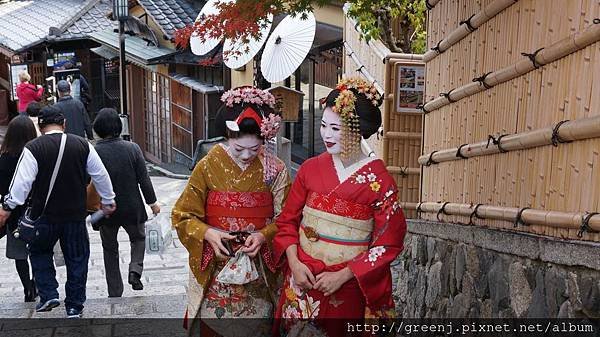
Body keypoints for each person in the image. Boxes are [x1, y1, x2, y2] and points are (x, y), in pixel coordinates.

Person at [272, 78, 407, 336]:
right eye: (324, 126)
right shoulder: (310, 169)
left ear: (356, 129)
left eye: (336, 128)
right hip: (303, 278)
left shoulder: (379, 181)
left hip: (347, 285)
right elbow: (288, 220)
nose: (326, 135)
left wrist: (345, 274)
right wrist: (294, 263)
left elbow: (388, 243)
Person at [172, 87, 291, 336]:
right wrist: (207, 233)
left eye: (255, 148)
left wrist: (263, 235)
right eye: (238, 149)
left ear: (264, 140)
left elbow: (288, 218)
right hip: (218, 268)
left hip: (258, 270)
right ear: (227, 136)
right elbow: (182, 214)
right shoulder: (208, 165)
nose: (247, 155)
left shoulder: (276, 169)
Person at [0, 105, 116, 318]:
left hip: (44, 215)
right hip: (74, 215)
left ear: (41, 127)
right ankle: (74, 305)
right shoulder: (83, 145)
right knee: (77, 258)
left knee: (39, 251)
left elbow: (21, 184)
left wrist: (7, 207)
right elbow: (100, 174)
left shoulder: (33, 148)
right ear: (64, 124)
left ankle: (48, 293)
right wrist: (108, 200)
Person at [92, 108, 160, 297]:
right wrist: (152, 202)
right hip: (132, 206)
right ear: (119, 127)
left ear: (98, 128)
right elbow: (143, 179)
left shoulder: (94, 152)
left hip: (106, 209)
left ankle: (115, 291)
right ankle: (134, 270)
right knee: (138, 239)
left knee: (109, 248)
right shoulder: (132, 148)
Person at [0, 116, 38, 302]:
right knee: (39, 250)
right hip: (36, 211)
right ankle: (37, 282)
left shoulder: (4, 158)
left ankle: (27, 288)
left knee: (19, 253)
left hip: (13, 213)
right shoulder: (36, 154)